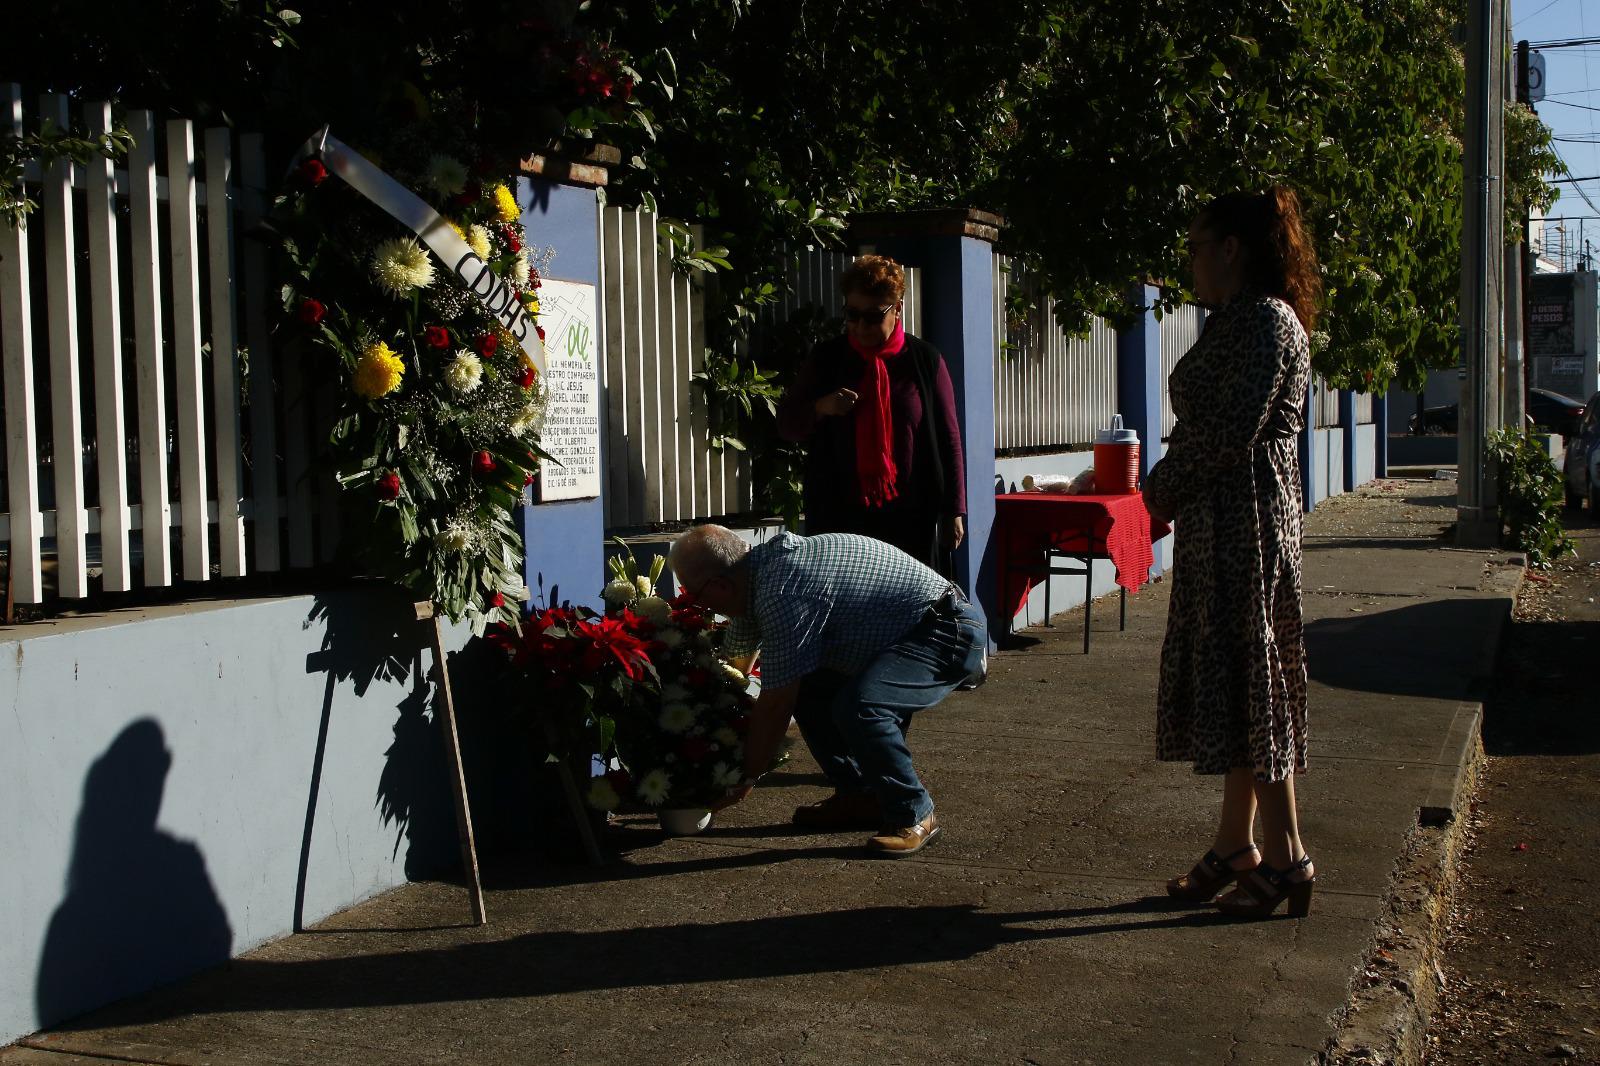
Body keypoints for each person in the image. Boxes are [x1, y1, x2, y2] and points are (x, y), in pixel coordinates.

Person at [1141, 187, 1320, 919]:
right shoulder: (1237, 320)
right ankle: (1235, 847)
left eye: (1195, 245)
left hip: (1248, 526)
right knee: (1242, 680)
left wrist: (1157, 491)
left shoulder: (1266, 323)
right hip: (1225, 524)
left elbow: (1227, 431)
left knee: (1255, 684)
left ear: (1232, 249)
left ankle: (1289, 859)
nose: (1189, 261)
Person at [668, 524, 986, 856]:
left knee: (861, 708)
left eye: (694, 595)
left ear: (720, 584)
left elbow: (777, 702)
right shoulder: (753, 578)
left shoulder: (782, 591)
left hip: (946, 633)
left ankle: (914, 811)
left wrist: (745, 777)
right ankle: (863, 796)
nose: (699, 605)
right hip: (905, 634)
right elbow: (738, 665)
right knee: (811, 687)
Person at [777, 255, 967, 576]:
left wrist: (953, 512)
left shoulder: (924, 360)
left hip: (910, 518)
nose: (861, 326)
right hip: (839, 518)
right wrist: (821, 407)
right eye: (852, 315)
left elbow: (948, 439)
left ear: (897, 310)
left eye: (872, 316)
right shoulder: (827, 359)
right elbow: (787, 424)